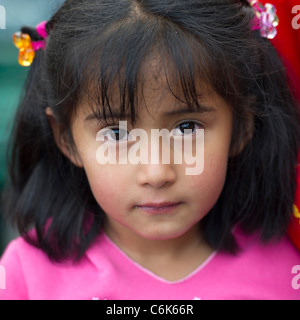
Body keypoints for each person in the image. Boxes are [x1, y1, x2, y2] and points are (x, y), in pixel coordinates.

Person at [0, 0, 300, 300]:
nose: (156, 173)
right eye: (116, 134)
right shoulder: (26, 272)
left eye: (187, 128)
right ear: (66, 138)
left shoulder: (287, 272)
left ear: (241, 127)